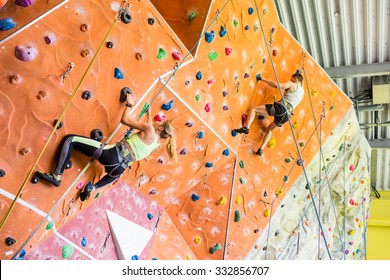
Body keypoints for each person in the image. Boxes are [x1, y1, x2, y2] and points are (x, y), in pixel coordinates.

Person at [36, 93, 177, 201]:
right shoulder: (156, 146)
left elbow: (125, 120)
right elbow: (149, 130)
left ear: (161, 127)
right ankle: (93, 187)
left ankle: (57, 175)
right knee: (102, 181)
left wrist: (129, 104)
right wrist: (149, 113)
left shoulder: (150, 129)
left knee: (70, 140)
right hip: (118, 169)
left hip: (113, 154)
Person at [234, 71, 304, 156]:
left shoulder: (292, 84)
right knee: (270, 129)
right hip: (286, 116)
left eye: (292, 79)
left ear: (296, 79)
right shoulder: (302, 92)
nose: (291, 80)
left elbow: (276, 85)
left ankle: (246, 127)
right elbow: (292, 98)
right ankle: (261, 149)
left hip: (281, 109)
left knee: (253, 110)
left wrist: (263, 79)